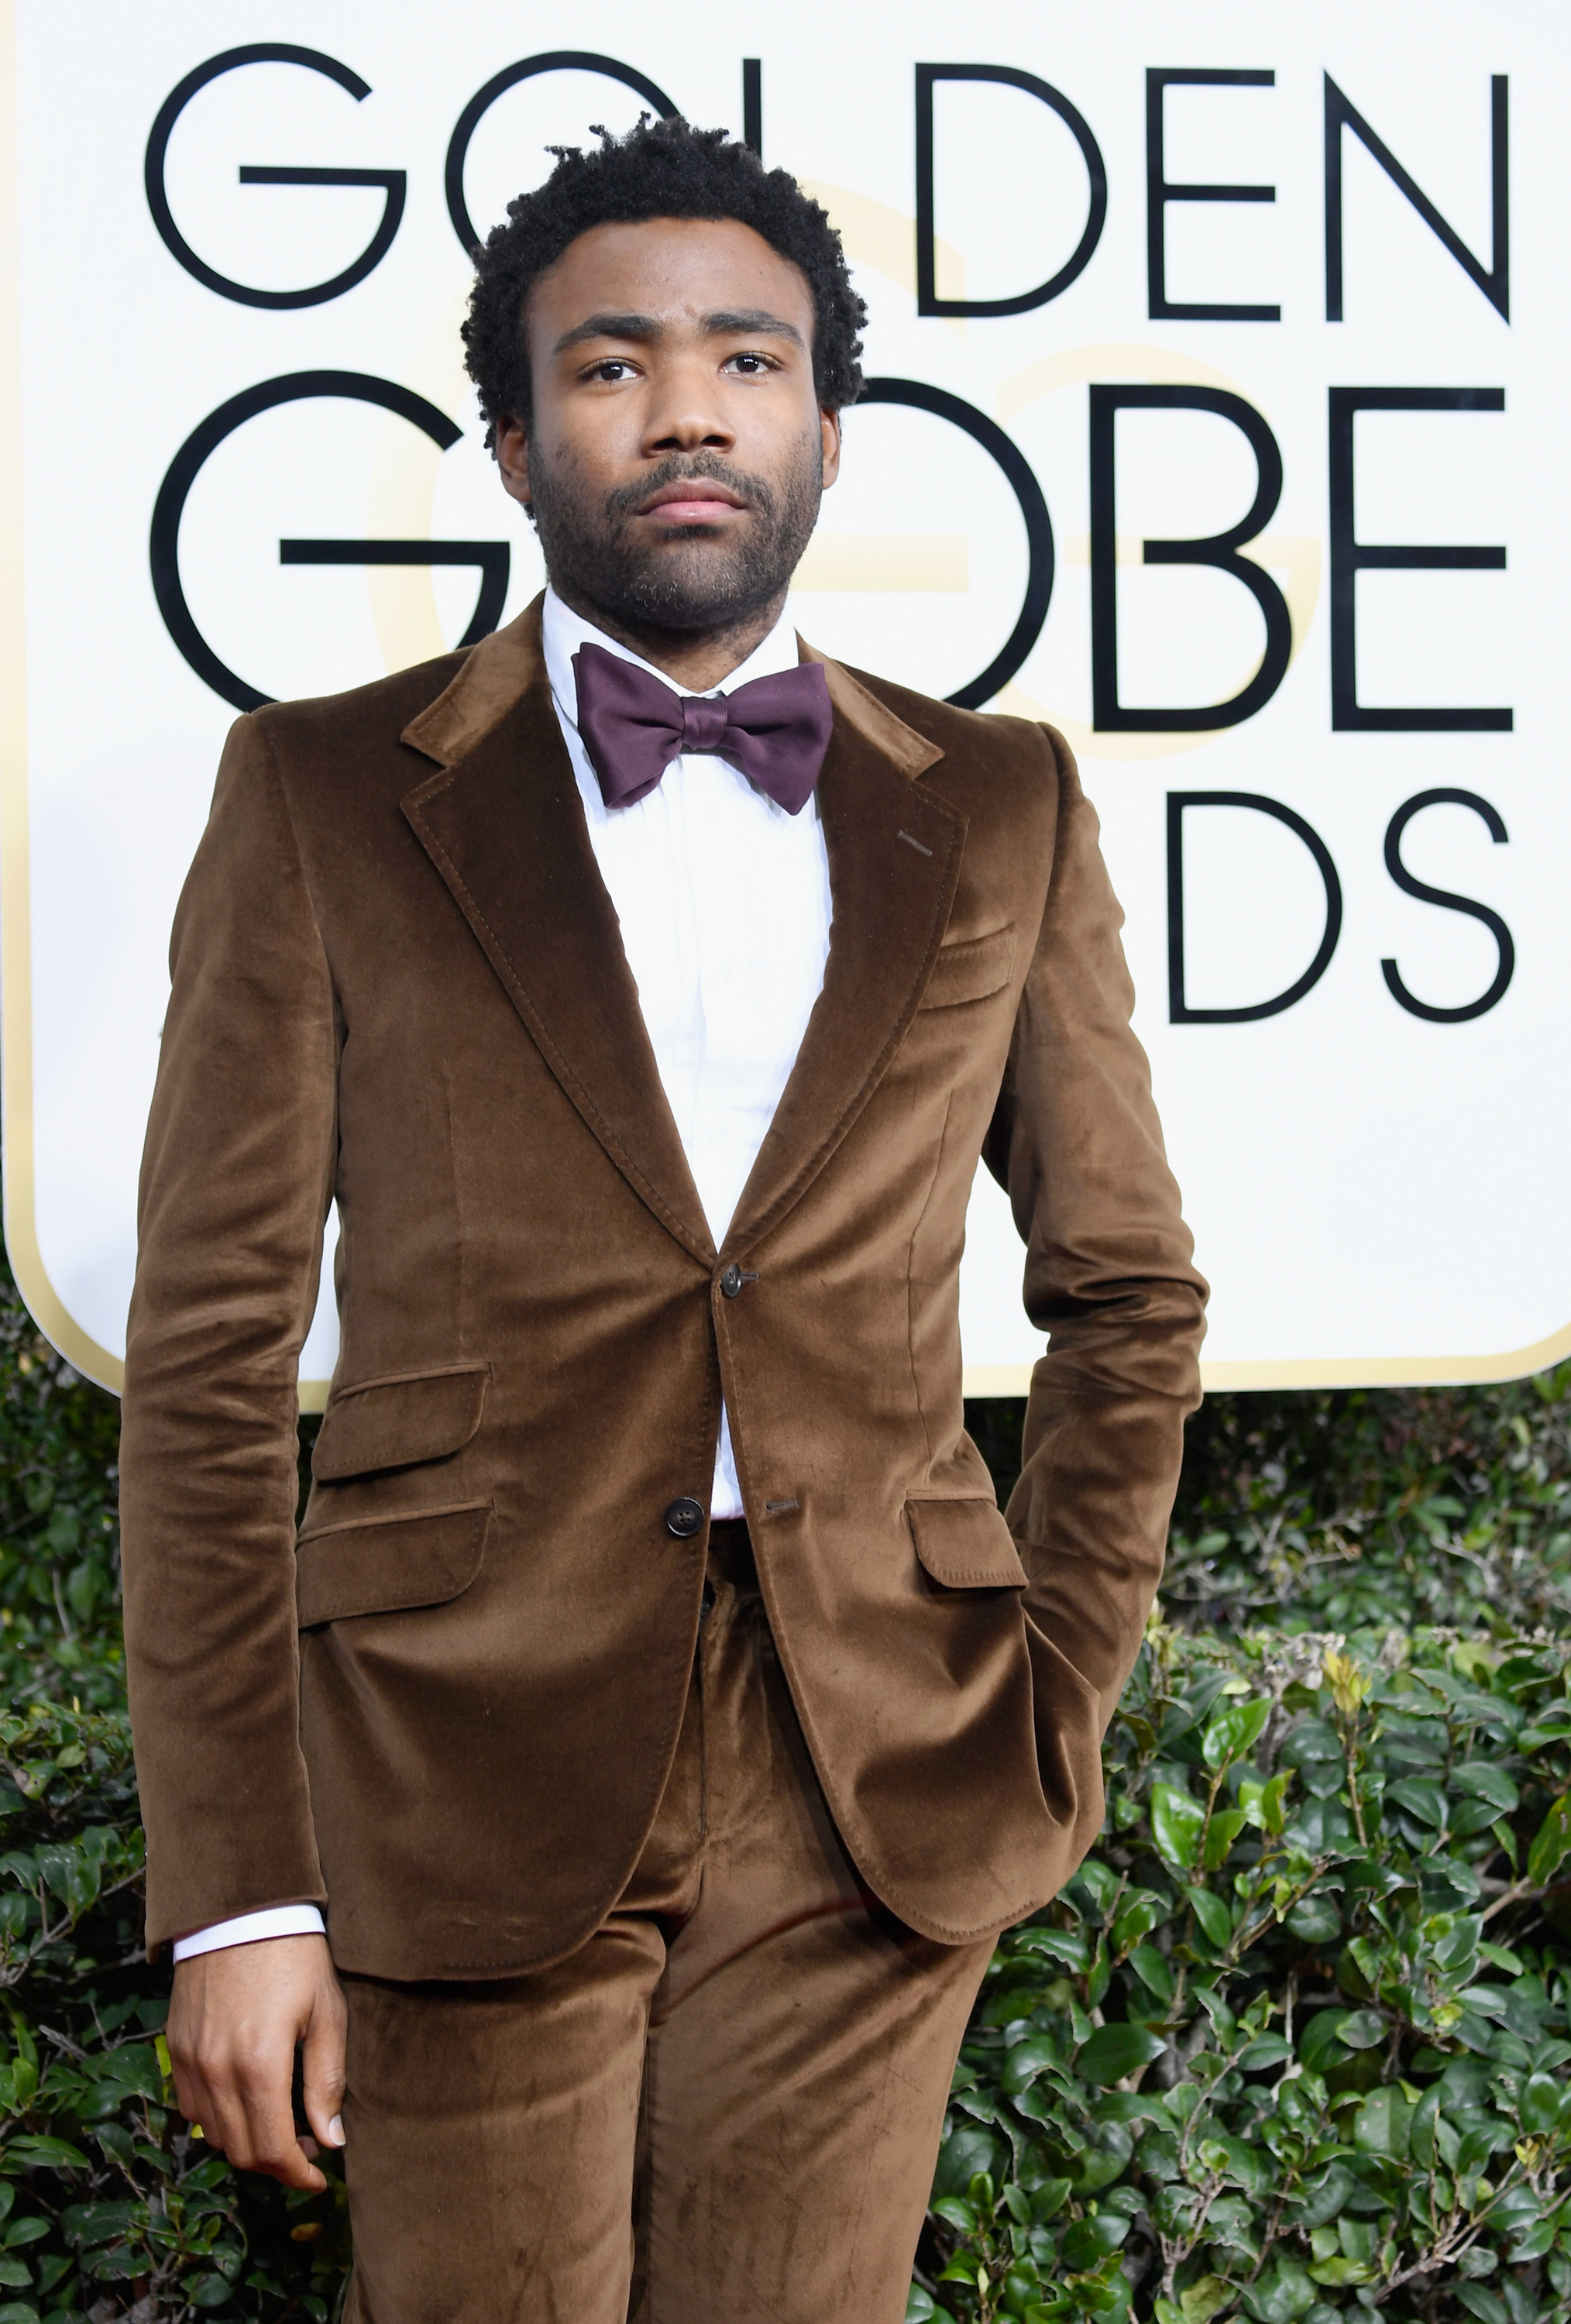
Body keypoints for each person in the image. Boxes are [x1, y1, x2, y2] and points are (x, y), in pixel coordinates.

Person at [119, 115, 1207, 2324]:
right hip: (456, 1745)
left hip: (875, 1753)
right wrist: (238, 1891)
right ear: (517, 444)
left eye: (748, 359)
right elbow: (212, 1358)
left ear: (828, 429)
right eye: (612, 365)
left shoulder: (1001, 803)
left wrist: (1052, 1694)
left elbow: (1127, 1291)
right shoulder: (320, 791)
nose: (688, 410)